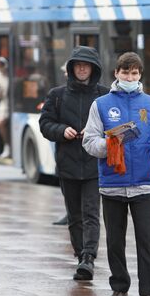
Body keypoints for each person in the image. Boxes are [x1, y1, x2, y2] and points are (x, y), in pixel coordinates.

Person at [83, 52, 150, 296]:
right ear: (116, 74)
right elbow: (89, 141)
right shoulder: (100, 104)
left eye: (134, 73)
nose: (130, 77)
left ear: (140, 75)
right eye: (125, 73)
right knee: (115, 240)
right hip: (112, 184)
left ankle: (148, 293)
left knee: (147, 239)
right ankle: (119, 289)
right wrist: (110, 144)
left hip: (144, 183)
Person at [39, 46, 109, 280]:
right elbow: (45, 123)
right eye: (78, 64)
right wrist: (62, 131)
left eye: (86, 65)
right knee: (74, 215)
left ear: (93, 69)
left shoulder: (104, 95)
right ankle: (80, 255)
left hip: (94, 164)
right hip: (67, 165)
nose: (81, 68)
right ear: (71, 68)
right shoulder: (57, 95)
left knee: (91, 213)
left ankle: (89, 257)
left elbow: (114, 125)